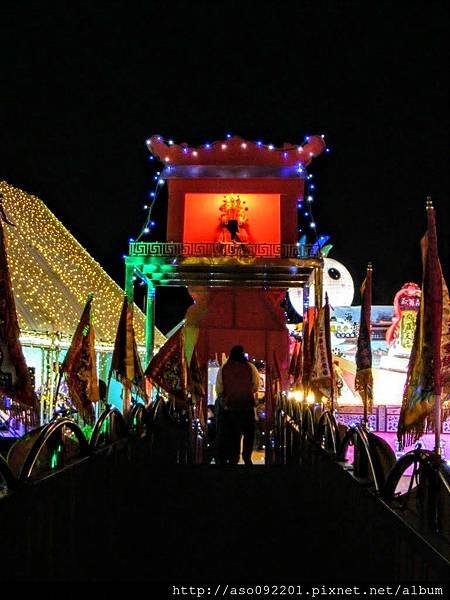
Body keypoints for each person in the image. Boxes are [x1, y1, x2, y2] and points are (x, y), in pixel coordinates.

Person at [215, 345, 260, 466]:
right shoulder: (250, 367)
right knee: (249, 434)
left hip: (230, 408)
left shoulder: (224, 368)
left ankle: (233, 458)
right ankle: (247, 457)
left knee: (233, 434)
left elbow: (219, 388)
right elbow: (256, 385)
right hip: (247, 406)